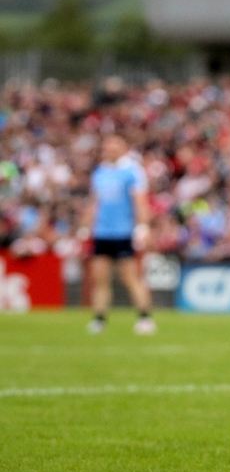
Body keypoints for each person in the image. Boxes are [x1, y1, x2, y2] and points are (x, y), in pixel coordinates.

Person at [81, 134, 155, 335]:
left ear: (123, 148)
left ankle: (145, 317)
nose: (109, 149)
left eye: (113, 146)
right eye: (107, 146)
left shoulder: (132, 171)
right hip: (101, 233)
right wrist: (86, 226)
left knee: (130, 277)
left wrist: (143, 226)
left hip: (123, 232)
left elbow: (140, 201)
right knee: (100, 279)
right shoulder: (100, 173)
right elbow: (95, 202)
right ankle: (99, 319)